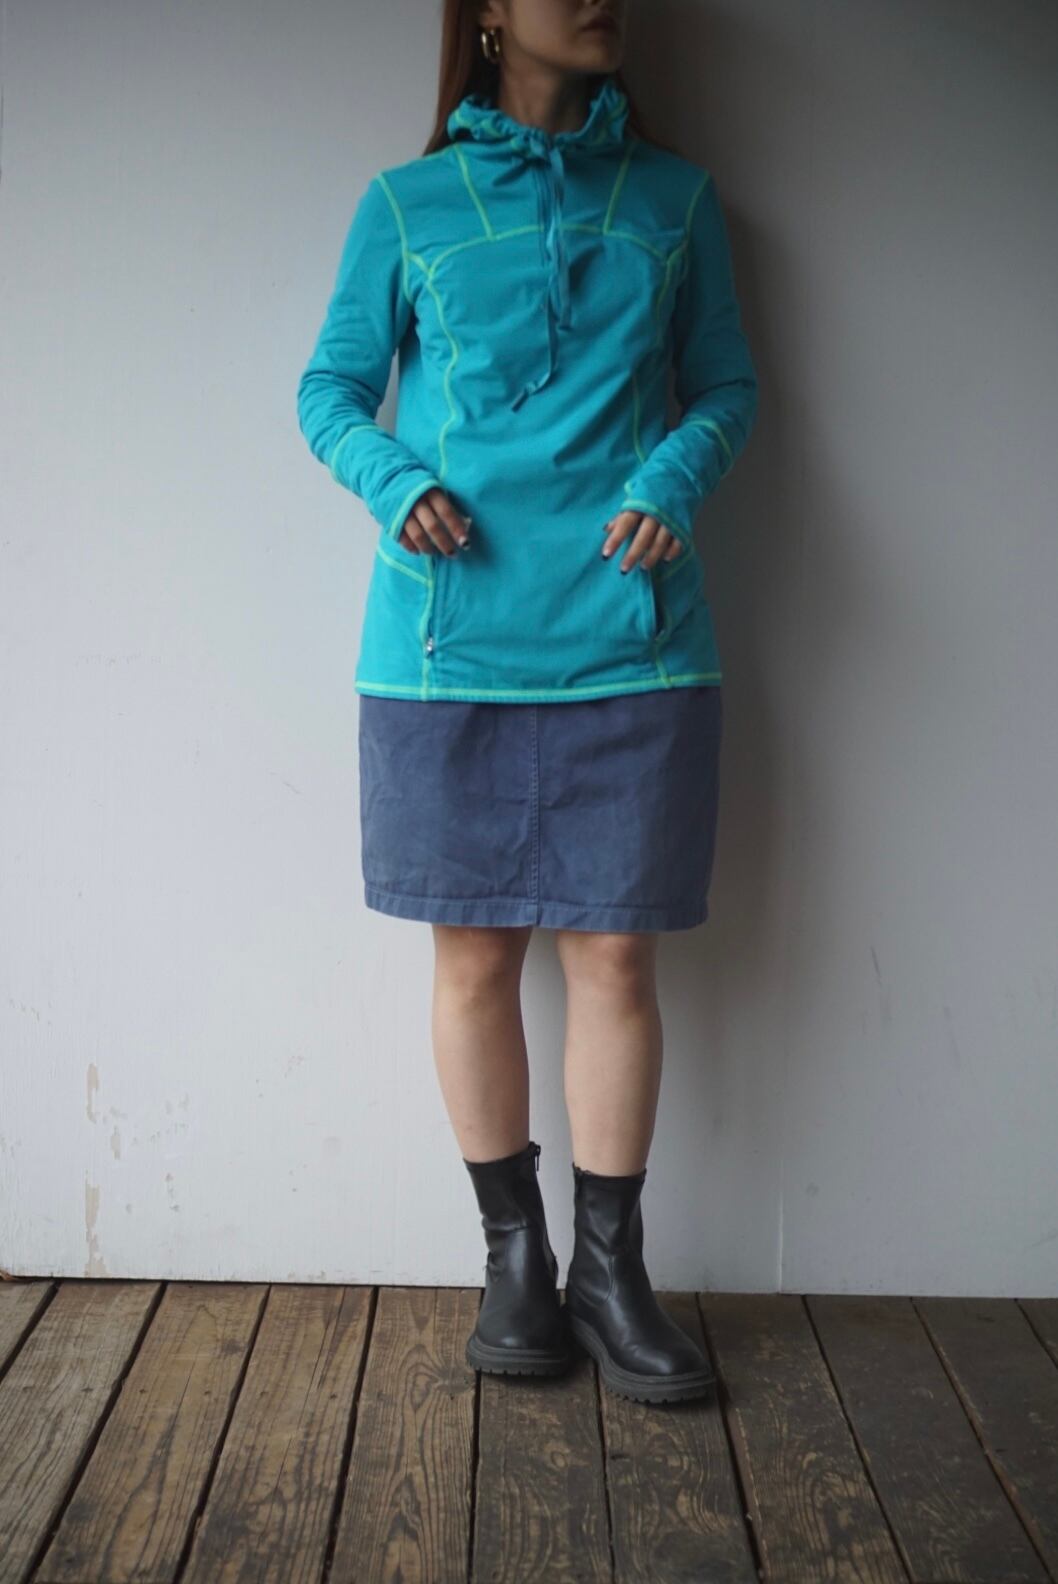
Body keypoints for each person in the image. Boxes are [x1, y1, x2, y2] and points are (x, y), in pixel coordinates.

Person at [296, 0, 758, 1405]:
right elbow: (330, 391)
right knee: (475, 957)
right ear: (489, 11)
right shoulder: (407, 203)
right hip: (448, 651)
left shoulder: (677, 200)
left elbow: (726, 388)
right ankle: (514, 1260)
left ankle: (611, 1274)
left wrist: (672, 476)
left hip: (635, 642)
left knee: (615, 962)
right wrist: (393, 480)